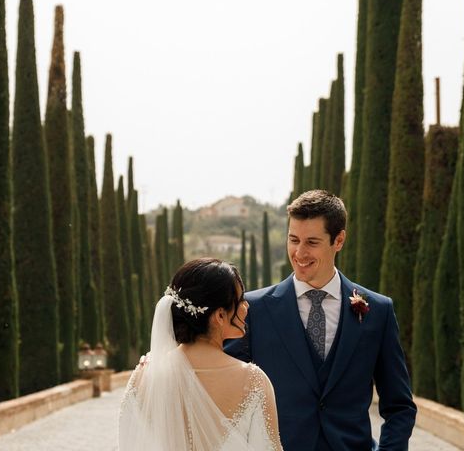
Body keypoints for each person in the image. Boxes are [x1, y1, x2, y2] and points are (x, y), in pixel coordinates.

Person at [226, 190, 416, 450]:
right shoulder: (254, 309)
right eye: (293, 240)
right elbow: (225, 390)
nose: (299, 253)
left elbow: (399, 406)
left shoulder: (379, 311)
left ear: (338, 241)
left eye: (312, 242)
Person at [119, 258, 283, 450]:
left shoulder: (143, 375)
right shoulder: (253, 381)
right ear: (220, 316)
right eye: (241, 300)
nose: (246, 307)